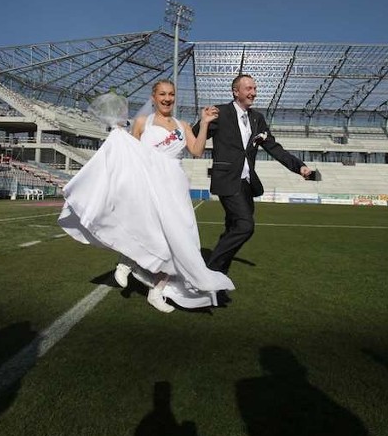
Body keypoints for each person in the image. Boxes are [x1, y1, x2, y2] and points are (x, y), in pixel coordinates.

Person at [59, 81, 234, 313]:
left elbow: (197, 150)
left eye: (171, 94)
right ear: (153, 97)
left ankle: (156, 291)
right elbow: (130, 154)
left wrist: (203, 124)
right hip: (149, 186)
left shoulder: (182, 125)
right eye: (162, 94)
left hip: (175, 187)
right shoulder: (142, 122)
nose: (167, 98)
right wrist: (118, 134)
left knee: (179, 242)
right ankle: (126, 261)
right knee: (147, 229)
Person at [195, 74, 312, 302]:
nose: (253, 92)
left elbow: (274, 147)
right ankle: (206, 275)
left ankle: (216, 283)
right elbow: (194, 136)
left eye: (255, 88)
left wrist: (299, 167)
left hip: (248, 184)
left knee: (232, 229)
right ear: (235, 91)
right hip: (228, 179)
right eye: (248, 88)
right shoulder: (220, 112)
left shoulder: (257, 119)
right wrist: (203, 123)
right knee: (245, 226)